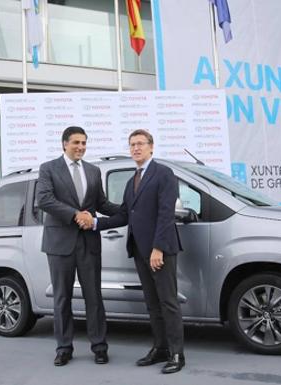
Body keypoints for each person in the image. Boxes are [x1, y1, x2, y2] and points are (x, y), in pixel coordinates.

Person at [94, 129, 185, 374]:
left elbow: (167, 214)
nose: (136, 148)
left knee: (168, 302)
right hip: (138, 249)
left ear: (151, 147)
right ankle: (161, 348)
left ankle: (177, 353)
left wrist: (158, 248)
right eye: (132, 144)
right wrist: (95, 223)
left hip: (160, 250)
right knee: (152, 304)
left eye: (140, 144)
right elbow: (125, 214)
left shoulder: (163, 174)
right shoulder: (131, 180)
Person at [36, 126, 119, 367]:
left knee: (94, 297)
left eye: (84, 143)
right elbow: (44, 200)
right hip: (60, 243)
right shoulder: (48, 168)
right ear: (64, 144)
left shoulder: (94, 171)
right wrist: (75, 215)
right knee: (62, 298)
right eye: (76, 143)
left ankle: (99, 347)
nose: (81, 147)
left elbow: (100, 203)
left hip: (88, 243)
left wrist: (128, 210)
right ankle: (63, 348)